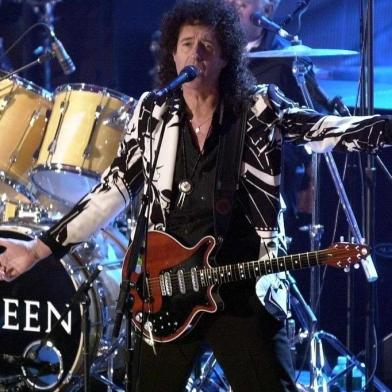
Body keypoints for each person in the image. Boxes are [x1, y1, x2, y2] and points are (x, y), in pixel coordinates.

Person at [0, 0, 391, 391]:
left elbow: (322, 129)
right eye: (187, 43)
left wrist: (383, 129)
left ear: (226, 58)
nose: (196, 53)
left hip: (242, 287)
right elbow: (110, 193)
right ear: (173, 53)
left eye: (207, 45)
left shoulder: (258, 109)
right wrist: (36, 250)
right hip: (168, 290)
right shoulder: (152, 115)